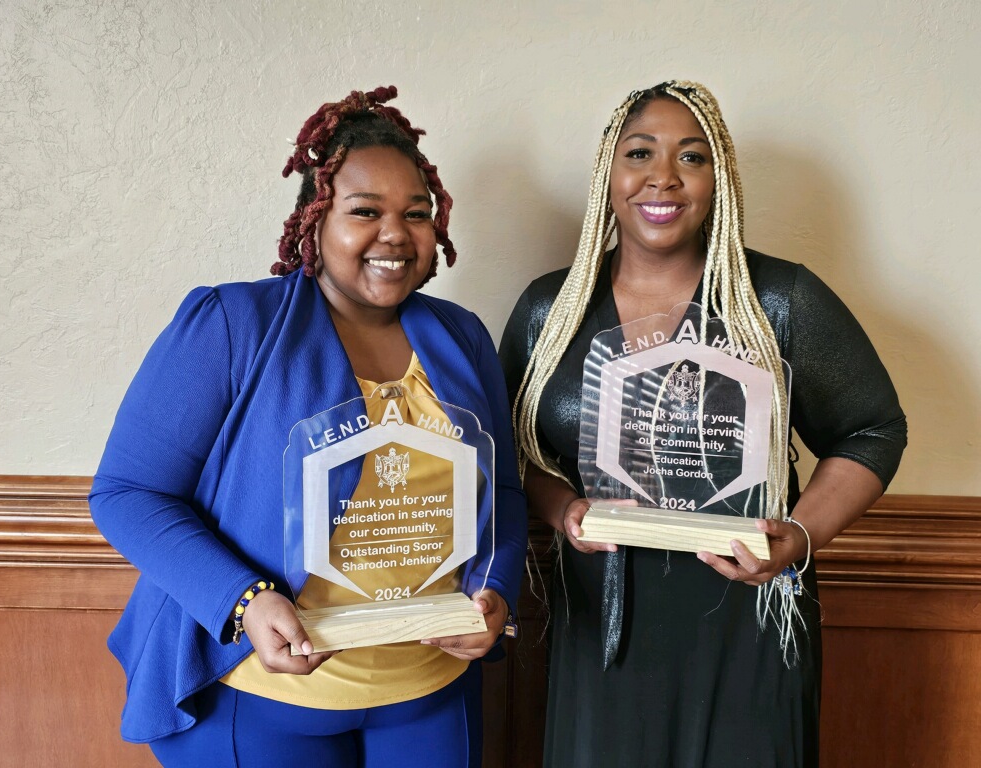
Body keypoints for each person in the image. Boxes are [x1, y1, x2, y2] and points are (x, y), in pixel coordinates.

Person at [90, 86, 527, 768]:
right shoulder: (234, 326)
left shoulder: (462, 339)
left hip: (430, 693)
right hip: (263, 696)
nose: (395, 234)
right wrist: (245, 601)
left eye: (416, 214)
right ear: (314, 217)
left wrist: (495, 590)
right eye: (365, 212)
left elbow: (502, 496)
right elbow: (126, 493)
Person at [499, 80, 906, 768]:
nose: (663, 177)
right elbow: (513, 450)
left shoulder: (779, 301)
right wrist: (564, 508)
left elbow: (873, 430)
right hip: (606, 627)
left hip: (747, 626)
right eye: (640, 153)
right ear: (608, 173)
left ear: (720, 179)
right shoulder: (552, 309)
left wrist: (799, 537)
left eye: (692, 157)